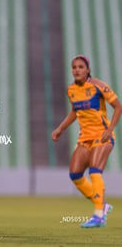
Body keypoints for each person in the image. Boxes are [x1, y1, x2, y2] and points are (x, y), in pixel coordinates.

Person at [52, 55, 121, 228]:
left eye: (81, 67)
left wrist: (109, 129)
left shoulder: (98, 86)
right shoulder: (72, 90)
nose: (77, 70)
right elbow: (75, 111)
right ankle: (103, 205)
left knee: (95, 171)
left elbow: (118, 107)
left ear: (88, 69)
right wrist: (60, 129)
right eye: (74, 67)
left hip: (102, 135)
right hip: (85, 138)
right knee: (75, 175)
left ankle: (99, 215)